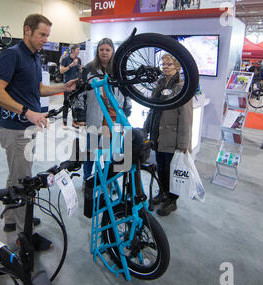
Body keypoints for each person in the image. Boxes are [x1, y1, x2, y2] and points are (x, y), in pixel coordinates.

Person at [0, 14, 77, 250]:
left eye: (48, 35)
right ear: (27, 30)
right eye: (42, 34)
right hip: (14, 129)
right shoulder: (12, 55)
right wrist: (26, 111)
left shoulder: (35, 57)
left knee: (16, 174)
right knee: (22, 180)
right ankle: (22, 233)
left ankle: (11, 217)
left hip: (27, 127)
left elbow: (37, 89)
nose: (45, 39)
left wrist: (62, 87)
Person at [143, 53, 193, 216]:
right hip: (159, 134)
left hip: (172, 136)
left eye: (169, 64)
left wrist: (184, 144)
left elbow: (186, 117)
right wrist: (146, 128)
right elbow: (153, 108)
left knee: (172, 170)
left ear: (177, 67)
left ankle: (172, 201)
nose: (165, 67)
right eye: (163, 64)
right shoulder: (159, 85)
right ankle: (163, 193)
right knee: (162, 168)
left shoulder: (182, 87)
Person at [77, 38, 131, 182]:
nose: (104, 52)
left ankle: (109, 182)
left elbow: (127, 93)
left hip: (114, 119)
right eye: (101, 50)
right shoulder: (89, 69)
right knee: (90, 152)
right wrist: (80, 117)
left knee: (111, 154)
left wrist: (126, 112)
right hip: (94, 118)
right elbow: (79, 93)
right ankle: (87, 180)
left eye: (107, 50)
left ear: (112, 51)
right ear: (97, 51)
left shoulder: (119, 70)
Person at [60, 44, 82, 129]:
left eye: (79, 49)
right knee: (66, 103)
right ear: (72, 50)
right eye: (77, 49)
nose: (79, 51)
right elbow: (61, 71)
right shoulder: (65, 59)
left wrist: (80, 69)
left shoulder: (79, 59)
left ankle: (74, 121)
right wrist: (70, 66)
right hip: (67, 85)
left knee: (75, 103)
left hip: (76, 85)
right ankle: (64, 122)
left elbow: (79, 71)